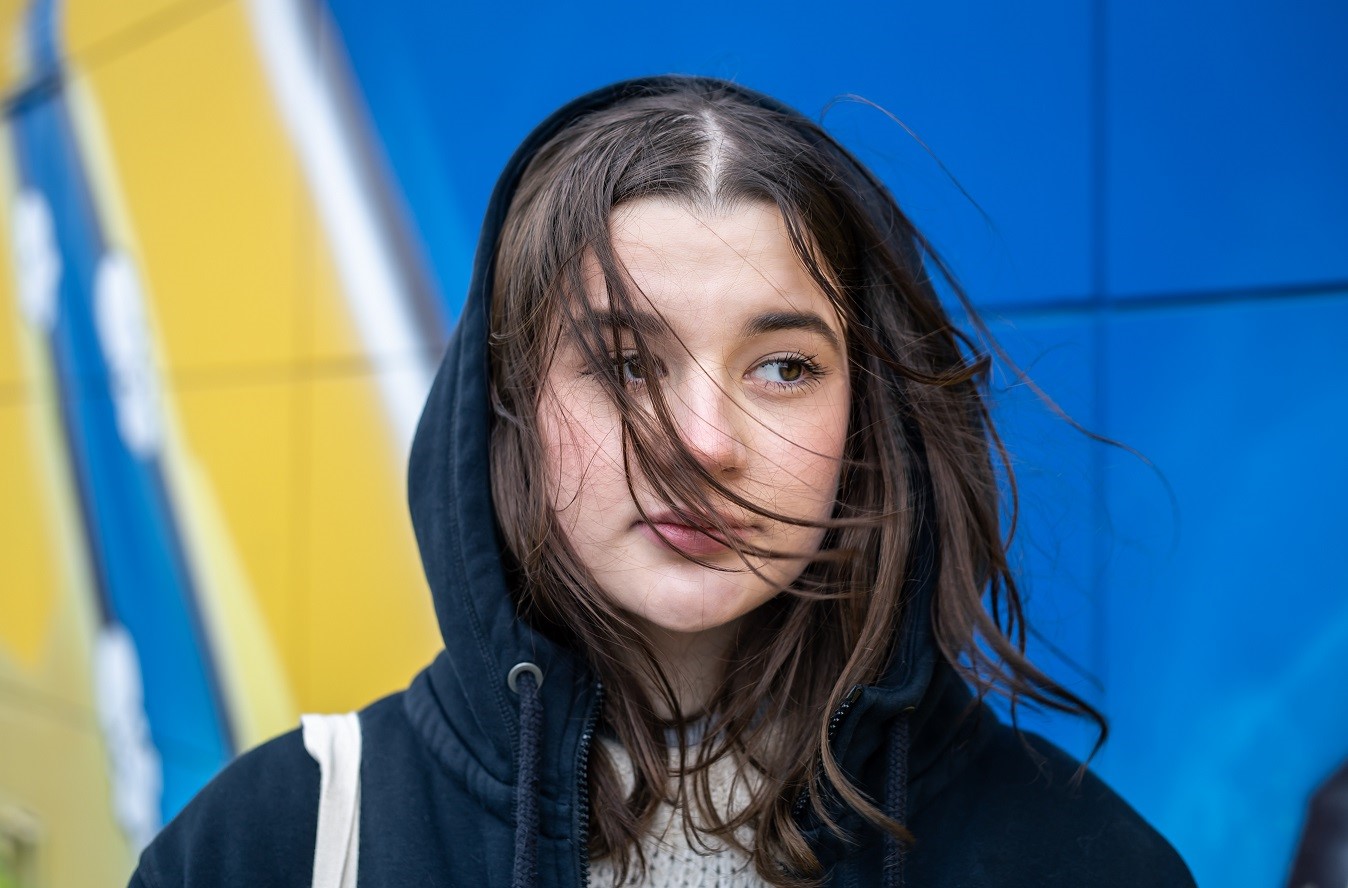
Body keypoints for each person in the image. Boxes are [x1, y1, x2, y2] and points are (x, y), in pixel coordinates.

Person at [129, 75, 1194, 887]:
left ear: (867, 418)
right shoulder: (274, 844)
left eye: (784, 367)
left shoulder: (1078, 861)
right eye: (625, 365)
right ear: (508, 407)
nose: (702, 442)